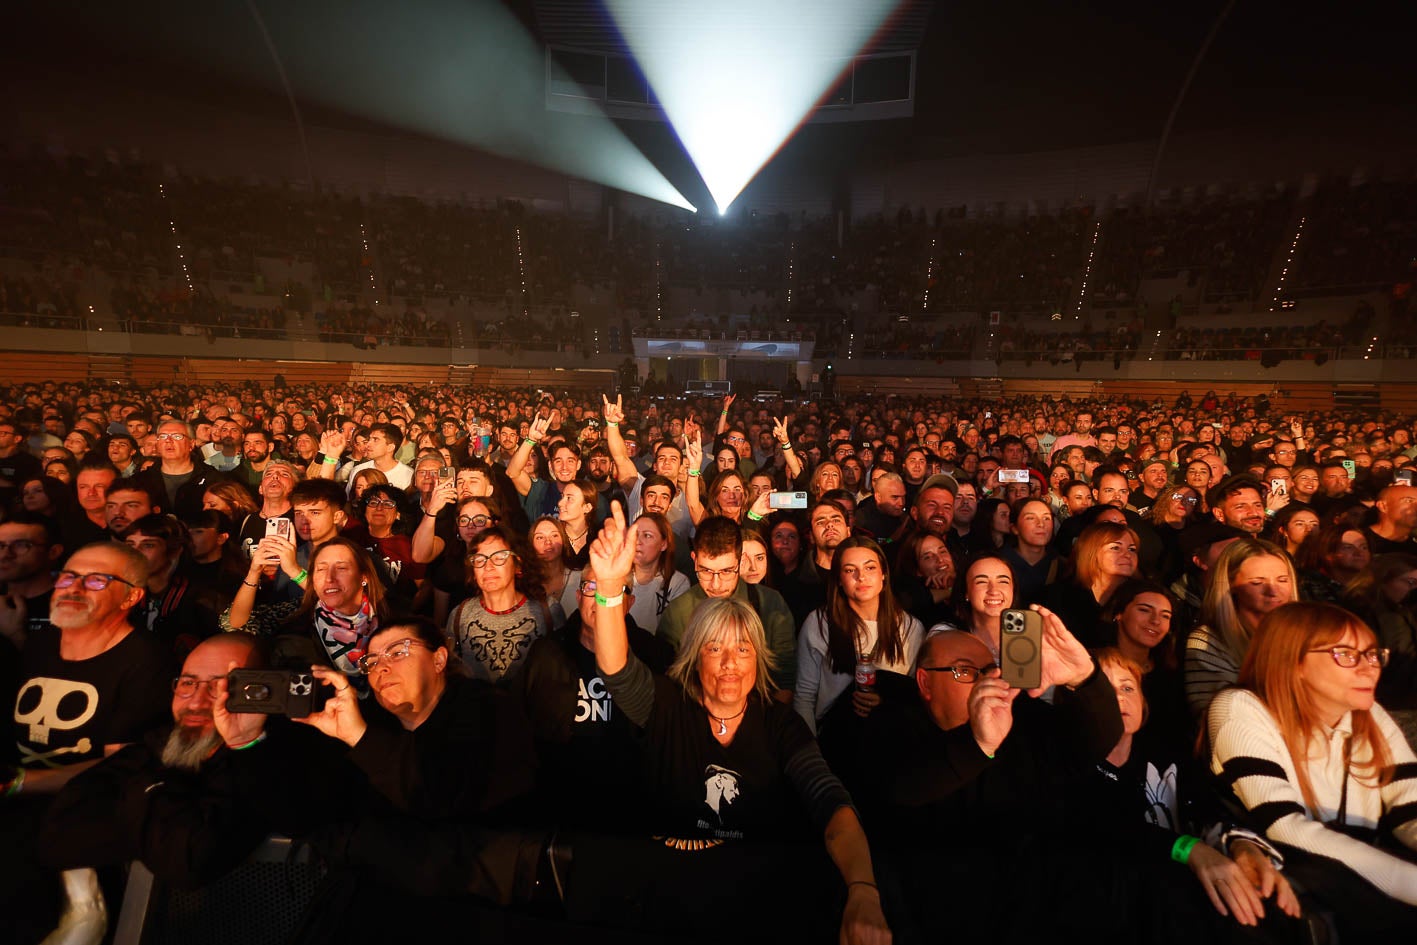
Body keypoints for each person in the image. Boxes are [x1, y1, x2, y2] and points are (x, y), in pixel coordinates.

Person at [580, 505, 892, 944]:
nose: (730, 664)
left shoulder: (780, 725)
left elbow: (830, 801)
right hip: (666, 905)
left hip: (753, 910)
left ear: (759, 657)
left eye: (743, 650)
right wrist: (610, 587)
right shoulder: (667, 708)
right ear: (693, 654)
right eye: (715, 649)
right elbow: (615, 666)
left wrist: (862, 889)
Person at [1208, 602, 1417, 938]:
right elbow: (1286, 828)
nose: (1368, 669)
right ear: (1294, 661)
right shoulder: (1240, 708)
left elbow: (1410, 807)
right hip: (1294, 892)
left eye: (1372, 654)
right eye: (1346, 655)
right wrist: (1410, 883)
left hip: (1357, 886)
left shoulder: (1368, 712)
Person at [2, 541, 174, 944]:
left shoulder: (146, 661)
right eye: (68, 576)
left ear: (131, 596)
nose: (74, 588)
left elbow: (121, 765)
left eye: (97, 580)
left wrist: (20, 783)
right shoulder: (40, 646)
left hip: (77, 813)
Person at [1079, 648, 1303, 940]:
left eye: (1127, 687)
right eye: (1103, 689)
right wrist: (1188, 849)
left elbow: (1208, 806)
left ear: (1143, 701)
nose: (1119, 698)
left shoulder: (1167, 755)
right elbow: (1102, 830)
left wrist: (1243, 847)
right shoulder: (1070, 764)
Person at [655, 516, 798, 697]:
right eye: (706, 570)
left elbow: (784, 678)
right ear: (694, 559)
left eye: (726, 571)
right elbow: (668, 679)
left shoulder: (769, 603)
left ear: (739, 562)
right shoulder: (678, 611)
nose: (716, 584)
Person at [795, 537, 924, 734]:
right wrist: (810, 753)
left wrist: (885, 700)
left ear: (884, 574)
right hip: (834, 738)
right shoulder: (819, 623)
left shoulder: (909, 627)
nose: (861, 577)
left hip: (889, 737)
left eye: (870, 568)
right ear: (839, 579)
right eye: (849, 570)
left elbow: (916, 694)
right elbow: (804, 696)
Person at [1184, 537, 1298, 721]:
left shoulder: (1305, 635)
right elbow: (1217, 716)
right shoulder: (1208, 641)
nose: (1273, 590)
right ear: (1231, 585)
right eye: (1257, 582)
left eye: (1282, 580)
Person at [446, 525, 552, 685]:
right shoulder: (459, 616)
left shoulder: (547, 610)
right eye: (480, 560)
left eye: (499, 557)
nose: (488, 567)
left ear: (517, 565)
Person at [1044, 520, 1141, 649]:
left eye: (1132, 549)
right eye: (1115, 548)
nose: (1127, 555)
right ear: (1092, 552)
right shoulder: (1057, 597)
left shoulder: (1142, 598)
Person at [629, 511, 689, 634]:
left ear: (663, 544)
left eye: (647, 535)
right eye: (634, 535)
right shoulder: (616, 577)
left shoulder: (677, 583)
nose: (637, 541)